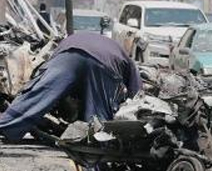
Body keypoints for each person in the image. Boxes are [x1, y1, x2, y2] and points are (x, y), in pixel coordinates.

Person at [0, 33, 141, 141]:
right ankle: (95, 149)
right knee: (97, 116)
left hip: (68, 54)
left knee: (38, 95)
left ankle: (6, 123)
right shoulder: (127, 61)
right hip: (104, 63)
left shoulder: (78, 39)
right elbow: (137, 96)